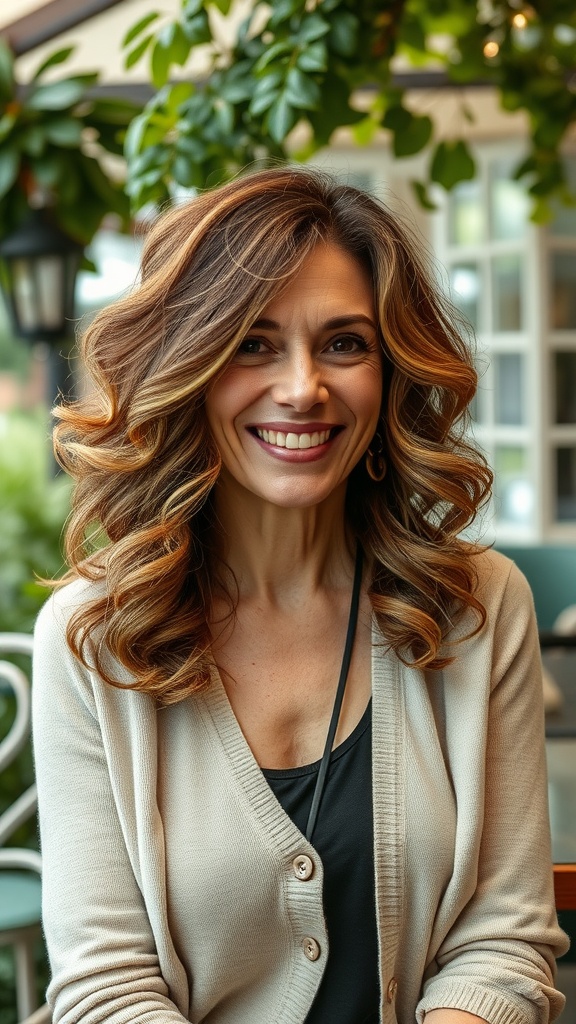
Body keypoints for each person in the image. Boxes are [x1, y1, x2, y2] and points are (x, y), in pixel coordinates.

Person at [33, 166, 568, 1024]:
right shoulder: (92, 639)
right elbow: (106, 990)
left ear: (390, 373)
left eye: (346, 343)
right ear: (190, 368)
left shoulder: (474, 608)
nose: (302, 387)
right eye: (253, 341)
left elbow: (503, 941)